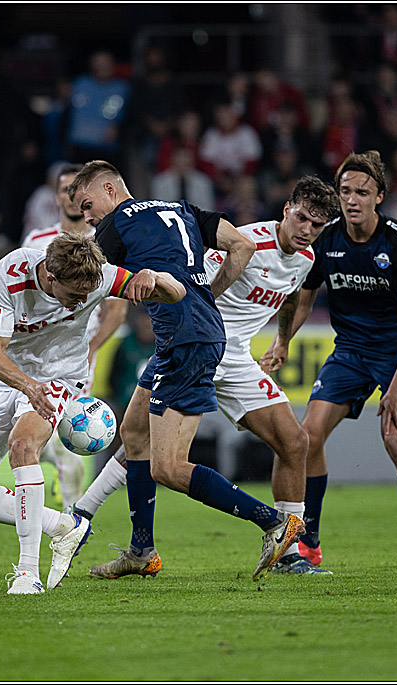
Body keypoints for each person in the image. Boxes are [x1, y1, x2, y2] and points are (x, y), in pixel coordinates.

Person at [67, 175, 341, 576]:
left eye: (317, 226)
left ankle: (286, 545)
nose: (307, 231)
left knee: (294, 443)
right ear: (287, 210)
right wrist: (204, 299)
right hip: (203, 339)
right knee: (136, 432)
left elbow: (294, 294)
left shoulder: (306, 259)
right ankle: (116, 536)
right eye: (302, 219)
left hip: (209, 349)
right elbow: (199, 267)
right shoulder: (249, 238)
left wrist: (283, 340)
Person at [0, 233, 186, 594]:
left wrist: (155, 278)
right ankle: (63, 525)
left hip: (60, 374)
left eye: (88, 294)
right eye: (74, 295)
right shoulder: (9, 272)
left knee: (23, 445)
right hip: (7, 374)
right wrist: (27, 386)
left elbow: (177, 293)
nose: (82, 302)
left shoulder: (100, 276)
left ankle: (27, 573)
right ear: (51, 278)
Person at [260, 151, 397, 568]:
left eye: (362, 192)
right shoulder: (326, 239)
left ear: (379, 196)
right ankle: (309, 541)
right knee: (308, 435)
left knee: (395, 439)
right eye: (345, 190)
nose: (351, 199)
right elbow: (301, 299)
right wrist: (283, 341)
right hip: (350, 353)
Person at [0, 163, 130, 508]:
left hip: (73, 356)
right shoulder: (35, 244)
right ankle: (57, 511)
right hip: (27, 356)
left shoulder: (103, 244)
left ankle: (71, 510)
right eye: (65, 190)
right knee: (44, 440)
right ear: (58, 197)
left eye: (78, 190)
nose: (72, 198)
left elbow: (117, 309)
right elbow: (14, 290)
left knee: (66, 438)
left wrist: (92, 347)